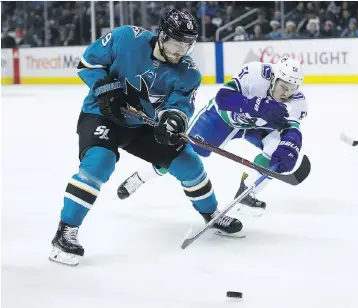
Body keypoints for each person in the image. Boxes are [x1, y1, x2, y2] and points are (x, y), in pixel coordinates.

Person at [49, 9, 244, 267]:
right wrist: (105, 88)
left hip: (142, 124)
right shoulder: (126, 38)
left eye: (186, 46)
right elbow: (88, 63)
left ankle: (211, 214)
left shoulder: (188, 72)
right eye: (176, 44)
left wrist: (172, 122)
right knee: (99, 162)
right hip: (102, 114)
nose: (180, 52)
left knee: (188, 162)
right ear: (162, 36)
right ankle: (64, 233)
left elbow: (180, 105)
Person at [117, 57, 307, 216]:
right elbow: (223, 98)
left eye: (292, 88)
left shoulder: (296, 101)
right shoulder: (255, 73)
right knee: (178, 152)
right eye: (284, 86)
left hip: (256, 127)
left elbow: (292, 129)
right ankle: (140, 177)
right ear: (274, 78)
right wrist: (256, 105)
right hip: (220, 119)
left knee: (276, 150)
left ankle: (248, 193)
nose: (286, 93)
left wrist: (290, 145)